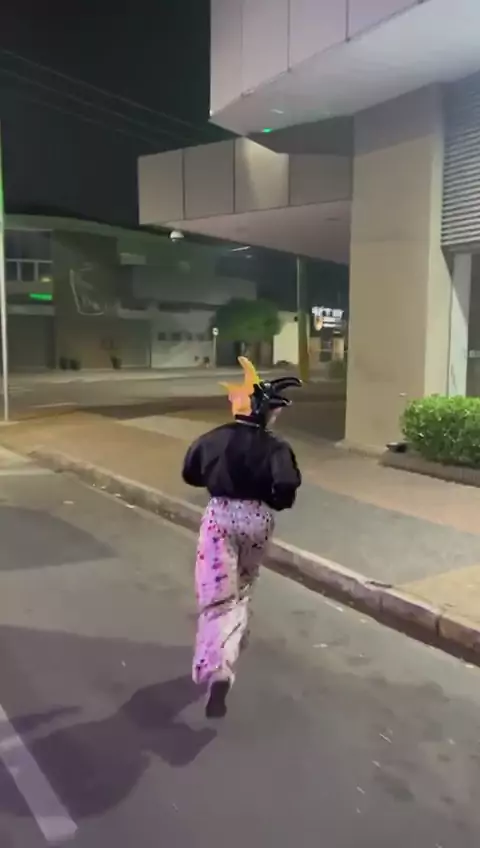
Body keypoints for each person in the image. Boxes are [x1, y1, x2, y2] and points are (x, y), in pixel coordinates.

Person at [182, 356, 302, 719]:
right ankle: (233, 638)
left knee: (218, 594)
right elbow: (286, 489)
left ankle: (218, 665)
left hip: (220, 516)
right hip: (257, 519)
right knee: (243, 587)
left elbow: (191, 473)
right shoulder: (276, 447)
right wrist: (271, 500)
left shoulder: (211, 439)